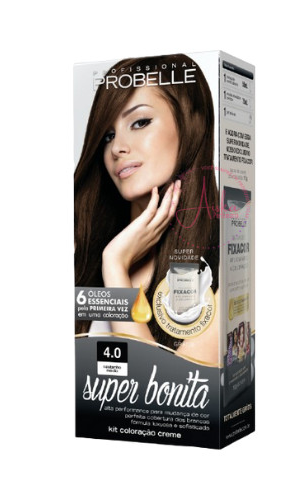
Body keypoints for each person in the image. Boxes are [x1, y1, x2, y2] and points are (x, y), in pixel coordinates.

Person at [74, 54, 219, 364]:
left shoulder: (231, 263)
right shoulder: (79, 245)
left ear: (190, 124)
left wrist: (115, 266)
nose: (117, 148)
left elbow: (161, 387)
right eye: (108, 135)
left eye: (140, 122)